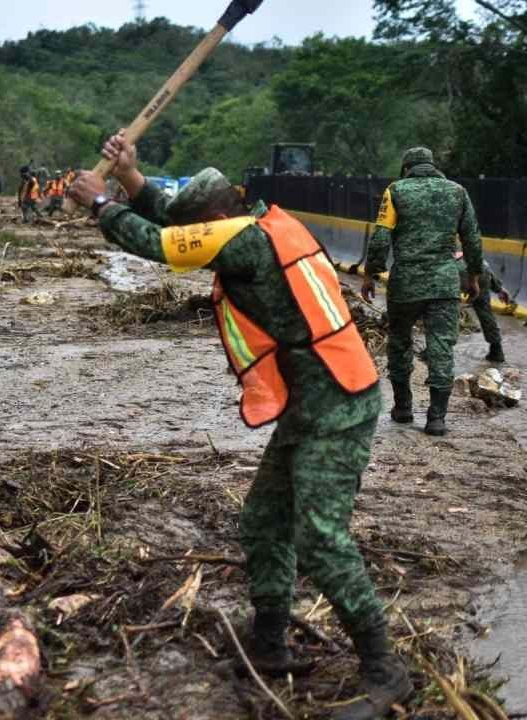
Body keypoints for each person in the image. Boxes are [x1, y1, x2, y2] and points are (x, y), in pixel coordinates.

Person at [67, 132, 411, 720]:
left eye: (202, 226)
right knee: (262, 523)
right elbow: (180, 229)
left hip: (338, 405)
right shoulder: (261, 222)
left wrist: (102, 204)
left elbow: (163, 244)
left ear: (221, 216)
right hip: (314, 400)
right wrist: (130, 176)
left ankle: (386, 670)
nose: (199, 238)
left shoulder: (249, 246)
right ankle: (270, 645)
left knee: (320, 538)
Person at [362, 147, 483, 437]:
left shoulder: (396, 191)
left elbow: (380, 238)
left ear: (406, 168)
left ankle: (403, 408)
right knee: (441, 346)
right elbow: (472, 238)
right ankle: (436, 418)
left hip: (406, 283)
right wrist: (473, 276)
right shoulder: (457, 192)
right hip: (444, 283)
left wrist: (371, 274)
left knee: (400, 343)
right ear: (432, 165)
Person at [464, 259, 510, 362]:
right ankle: (496, 350)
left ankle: (437, 349)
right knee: (485, 312)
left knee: (438, 309)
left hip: (458, 273)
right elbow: (481, 263)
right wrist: (499, 288)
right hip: (482, 270)